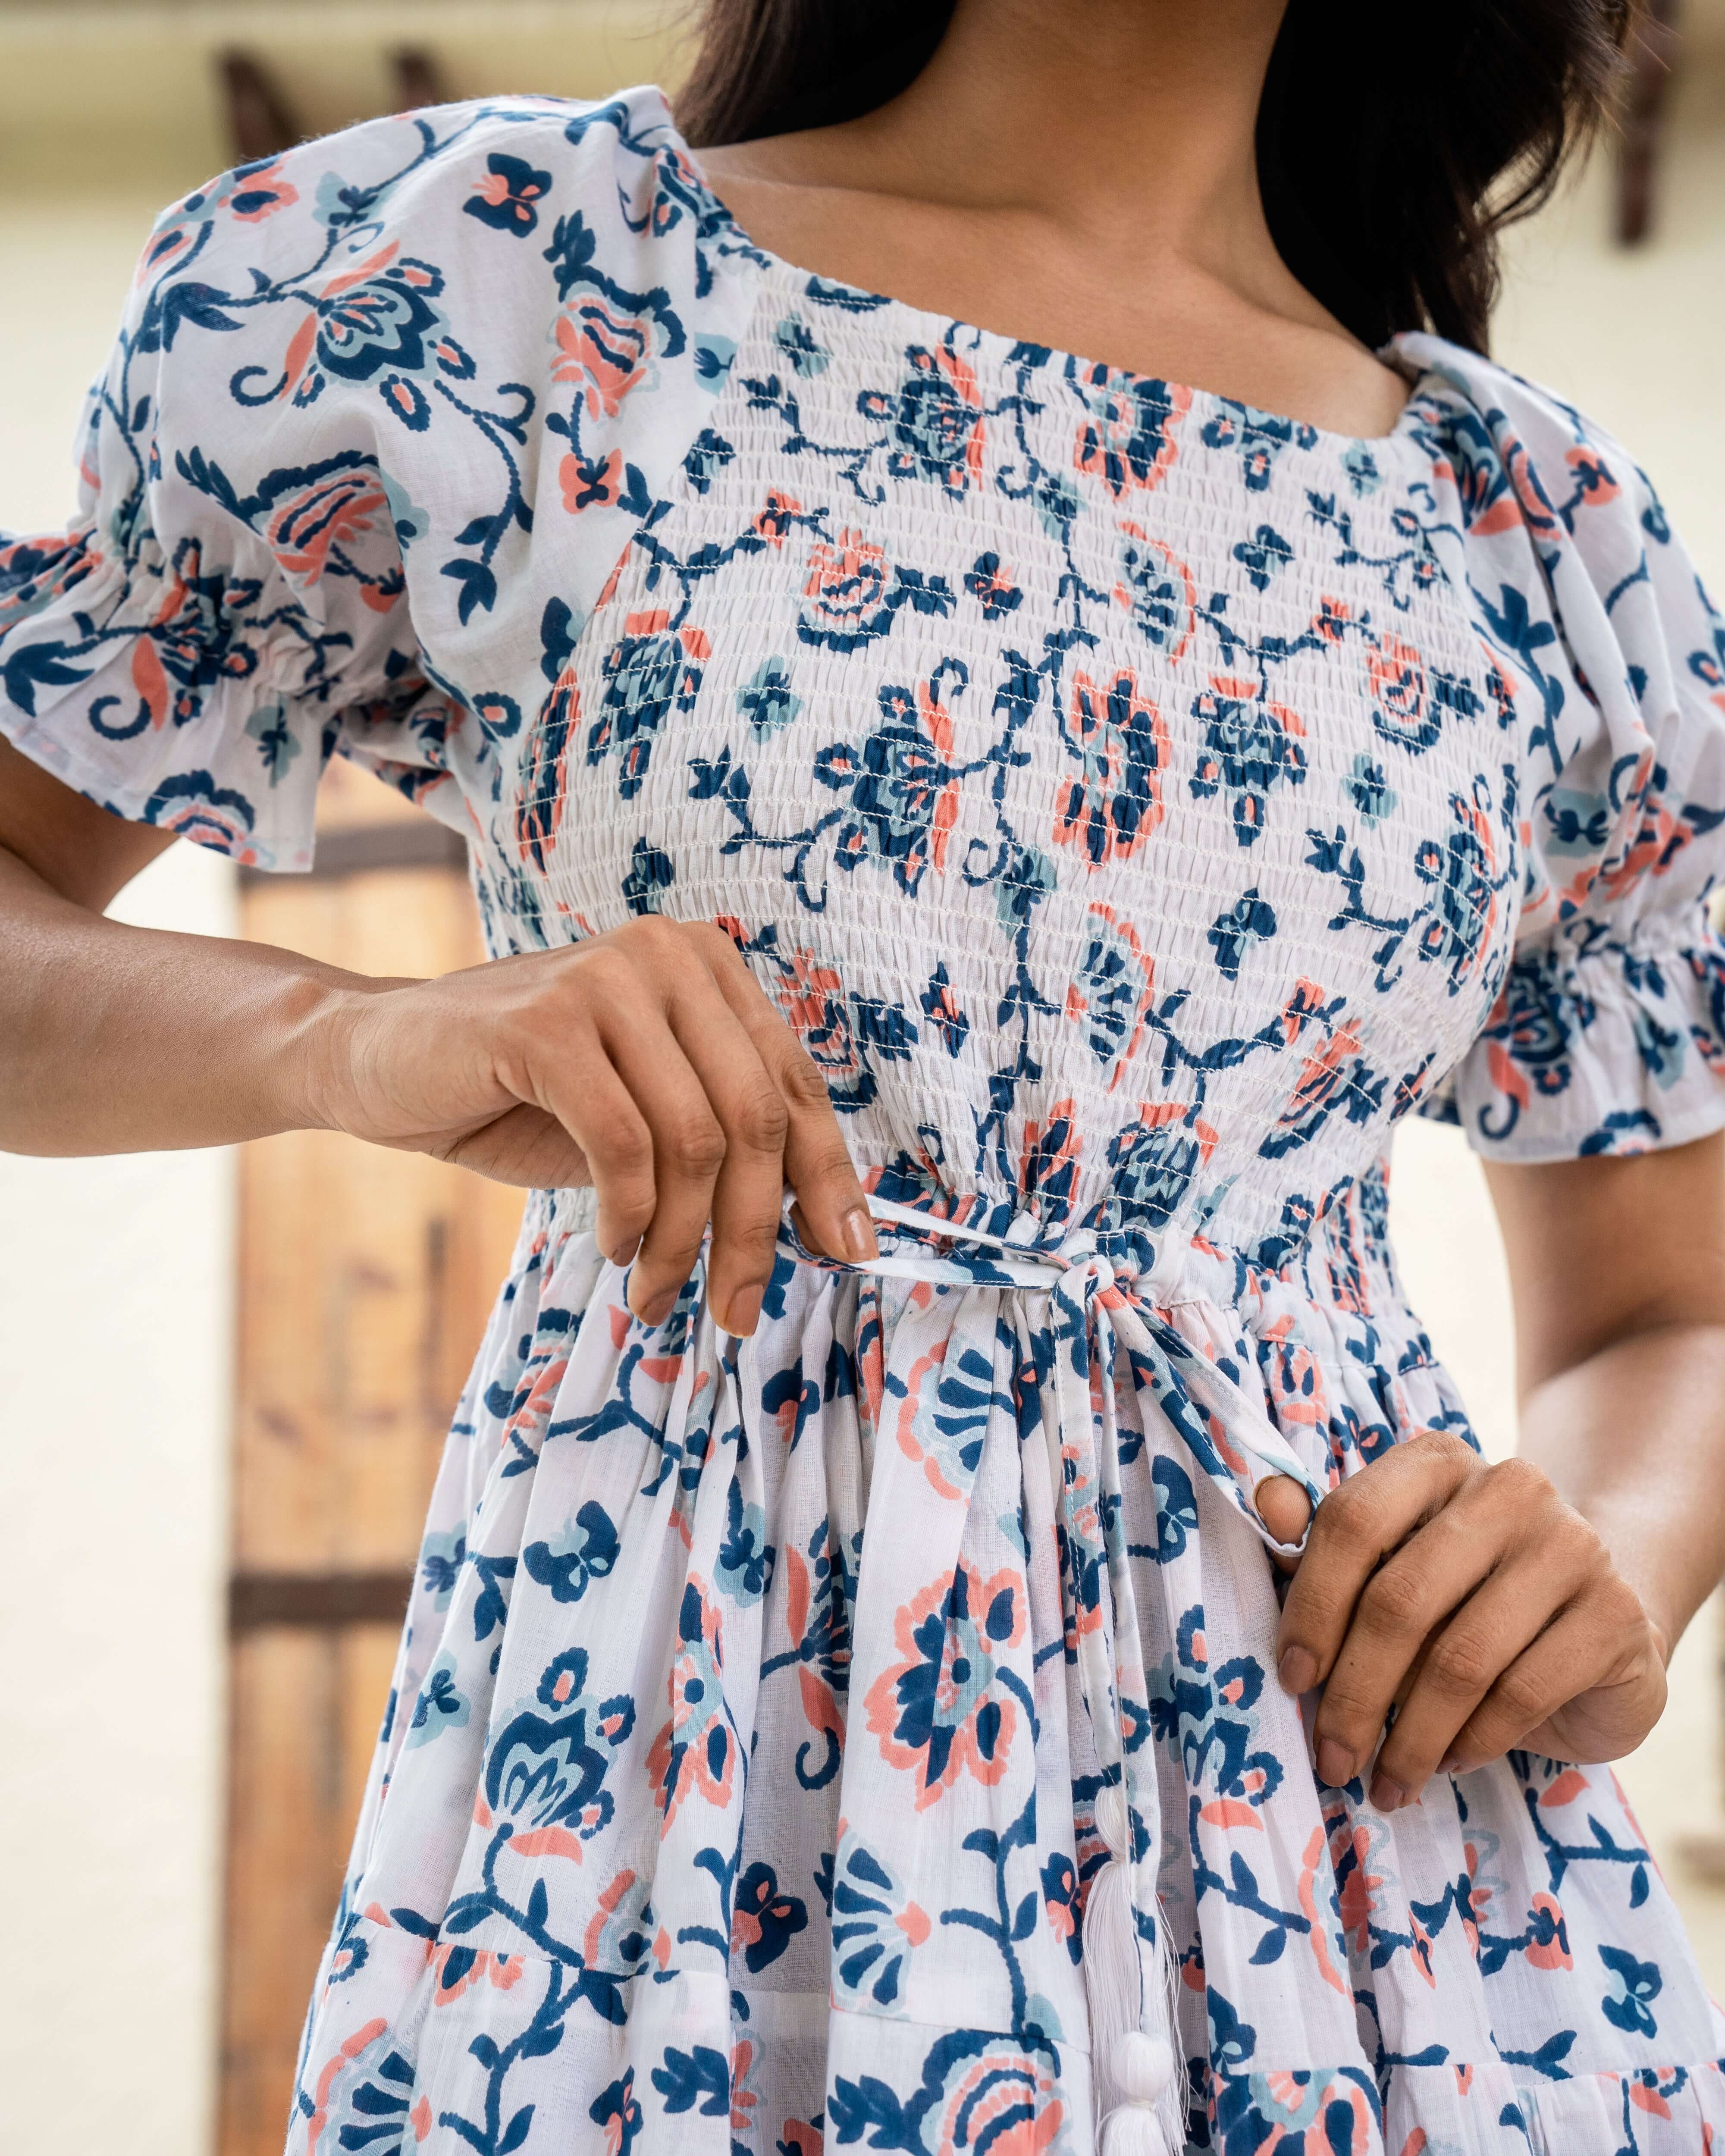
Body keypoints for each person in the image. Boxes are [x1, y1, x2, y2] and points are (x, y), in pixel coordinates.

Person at [4, 0, 1724, 2146]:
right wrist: (348, 1037)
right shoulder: (499, 285)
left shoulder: (1546, 545)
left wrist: (1610, 1566)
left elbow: (1672, 1313)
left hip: (1361, 1857)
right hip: (685, 1794)